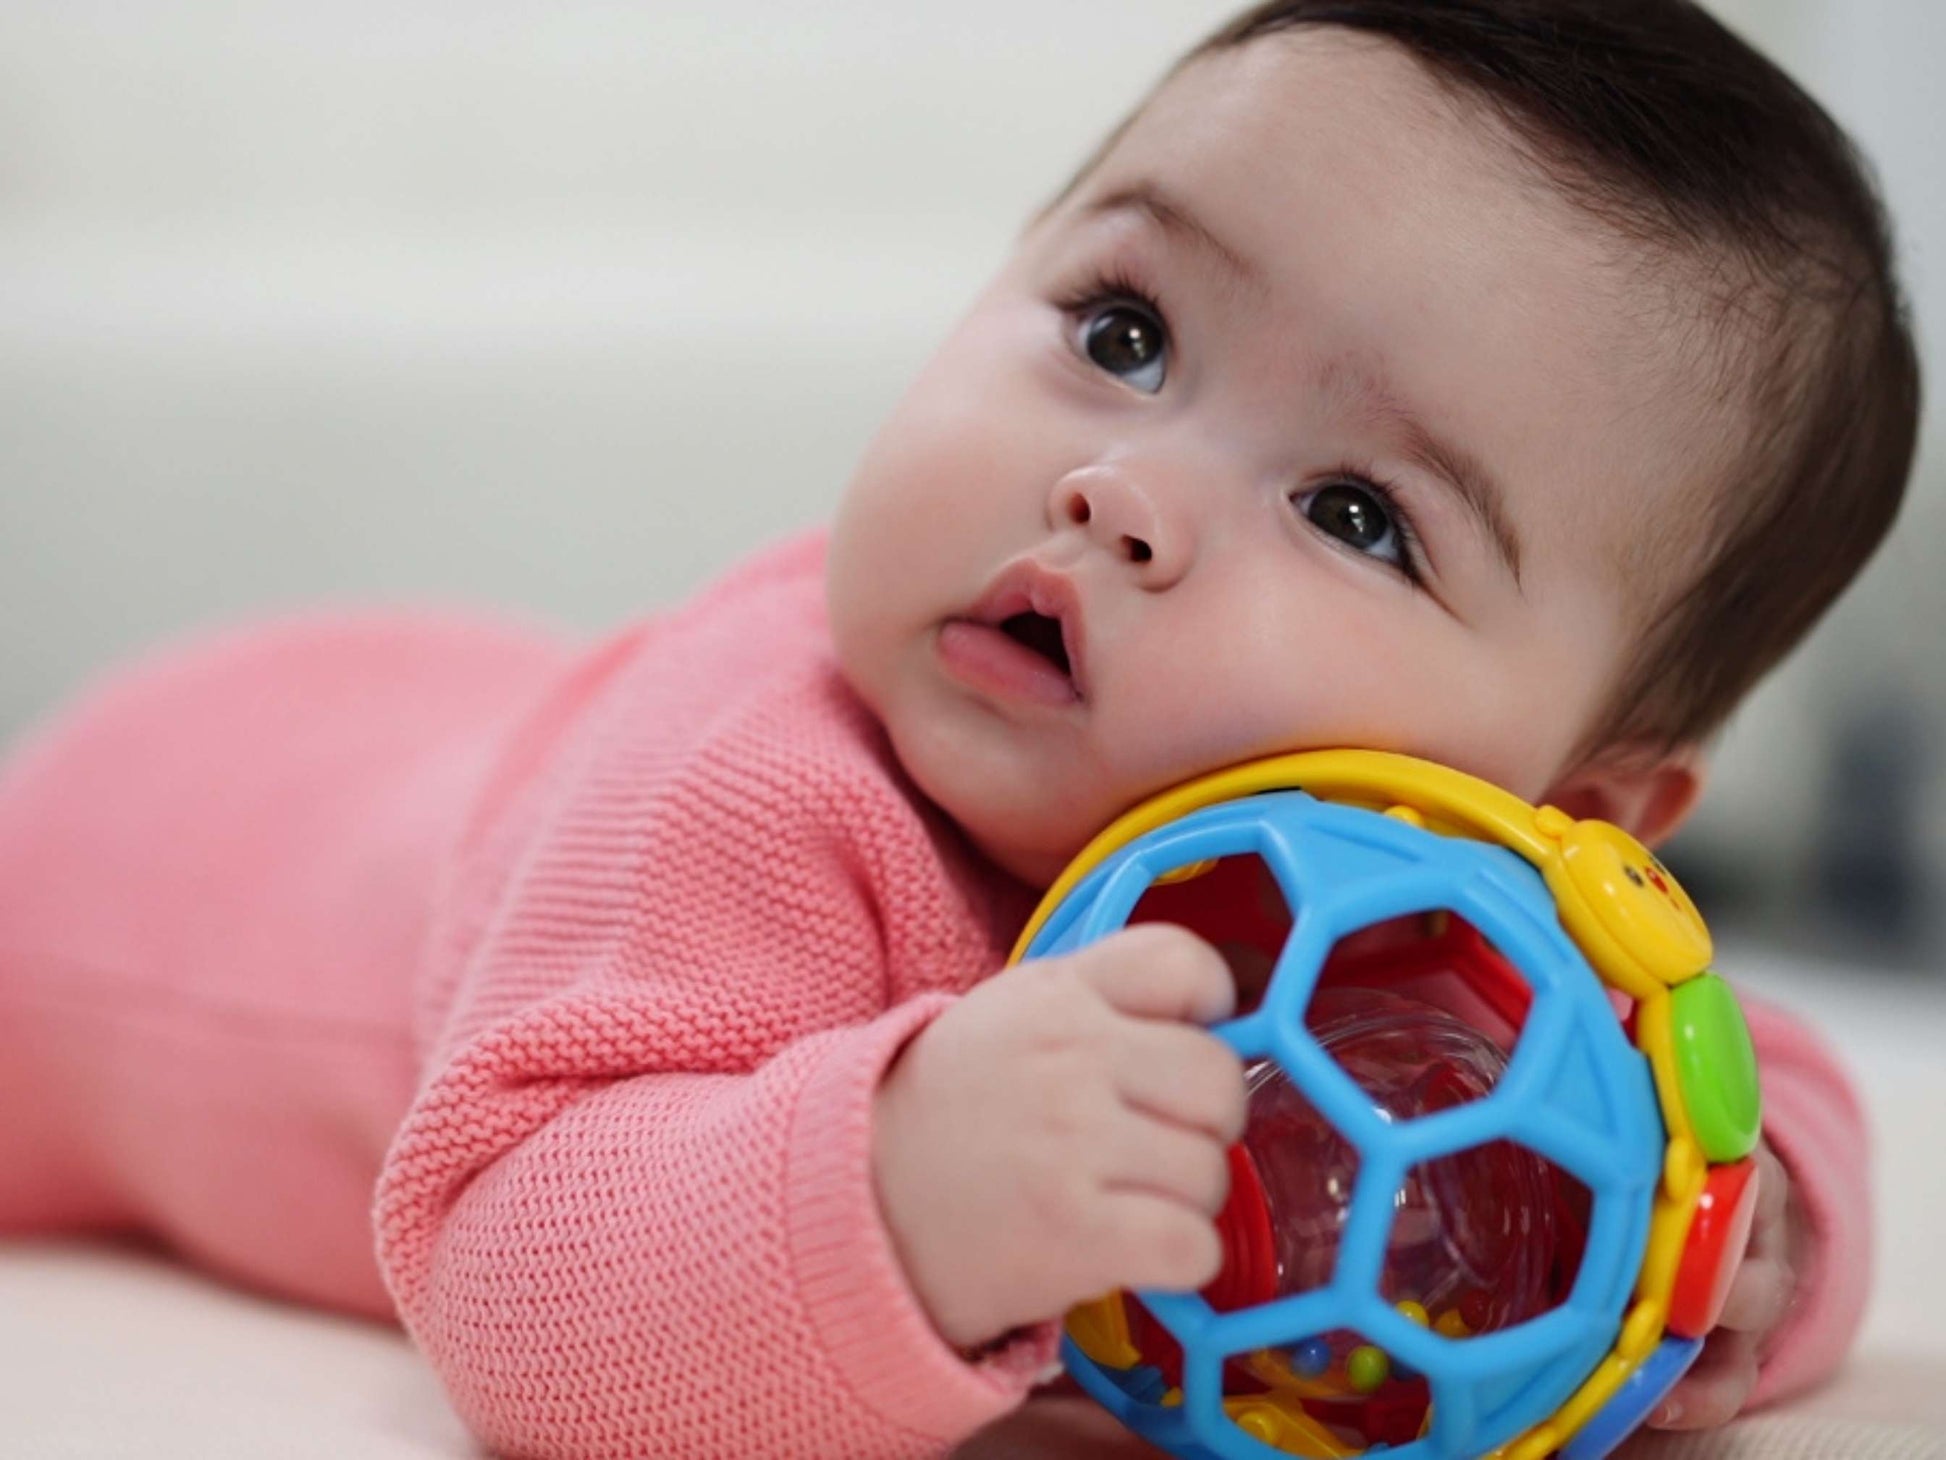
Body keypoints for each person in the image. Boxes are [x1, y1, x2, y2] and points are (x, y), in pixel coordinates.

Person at [0, 3, 1917, 1457]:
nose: (1120, 487)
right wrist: (899, 1186)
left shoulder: (1448, 939)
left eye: (1355, 514)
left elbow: (1754, 1068)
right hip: (132, 870)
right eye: (1122, 332)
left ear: (1576, 805)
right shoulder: (758, 776)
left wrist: (1740, 1231)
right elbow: (509, 1268)